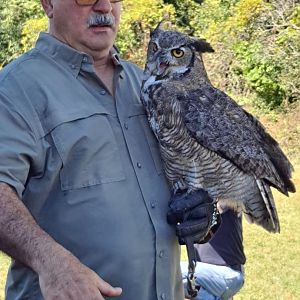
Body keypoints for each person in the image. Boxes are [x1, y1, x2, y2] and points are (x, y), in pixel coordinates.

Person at [0, 0, 217, 299]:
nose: (104, 7)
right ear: (48, 4)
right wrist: (51, 261)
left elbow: (183, 181)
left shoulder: (148, 85)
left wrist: (203, 213)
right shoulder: (15, 90)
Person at [181, 204, 246, 300]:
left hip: (230, 274)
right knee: (179, 282)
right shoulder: (189, 208)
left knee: (175, 271)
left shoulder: (229, 198)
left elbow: (219, 204)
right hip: (205, 279)